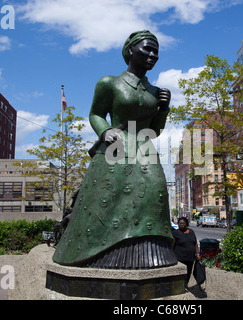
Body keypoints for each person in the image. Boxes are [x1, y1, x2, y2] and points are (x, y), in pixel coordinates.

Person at [52, 30, 177, 269]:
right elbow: (96, 114)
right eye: (147, 49)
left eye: (156, 52)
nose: (153, 55)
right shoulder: (109, 83)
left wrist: (163, 108)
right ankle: (102, 256)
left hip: (144, 147)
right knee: (107, 201)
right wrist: (105, 131)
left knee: (154, 194)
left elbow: (156, 129)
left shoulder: (155, 91)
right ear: (131, 50)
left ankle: (151, 253)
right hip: (116, 147)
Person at [172, 217, 201, 287]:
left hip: (190, 258)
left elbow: (195, 244)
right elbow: (172, 244)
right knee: (181, 274)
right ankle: (181, 287)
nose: (181, 224)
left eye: (183, 223)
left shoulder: (191, 232)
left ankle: (185, 286)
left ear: (186, 224)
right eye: (179, 223)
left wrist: (197, 254)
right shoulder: (175, 233)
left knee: (188, 273)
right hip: (180, 259)